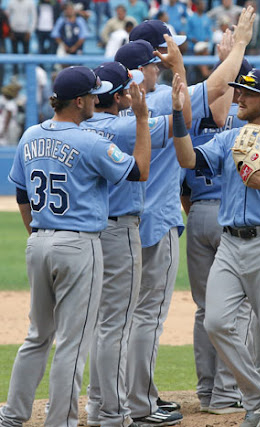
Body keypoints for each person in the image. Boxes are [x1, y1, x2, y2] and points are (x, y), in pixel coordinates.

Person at [118, 9, 255, 423]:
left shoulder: (106, 106)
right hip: (154, 220)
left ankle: (120, 398)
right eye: (160, 55)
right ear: (147, 61)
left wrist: (178, 65)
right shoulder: (156, 99)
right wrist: (243, 44)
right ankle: (140, 402)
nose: (163, 62)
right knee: (147, 316)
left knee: (117, 319)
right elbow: (215, 88)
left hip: (115, 226)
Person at [0, 65, 150, 427]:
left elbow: (22, 193)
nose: (97, 99)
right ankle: (60, 422)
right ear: (80, 100)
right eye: (93, 94)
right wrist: (142, 120)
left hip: (39, 241)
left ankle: (12, 416)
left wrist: (37, 233)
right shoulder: (90, 141)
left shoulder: (31, 134)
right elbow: (138, 171)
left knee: (37, 336)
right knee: (72, 341)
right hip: (79, 245)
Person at [173, 68, 260, 427]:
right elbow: (188, 160)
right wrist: (177, 116)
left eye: (246, 94)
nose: (238, 97)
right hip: (231, 244)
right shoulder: (230, 138)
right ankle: (256, 395)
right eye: (237, 91)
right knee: (217, 321)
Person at [81, 62, 190, 427]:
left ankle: (98, 406)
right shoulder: (126, 126)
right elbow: (179, 129)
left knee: (100, 324)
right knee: (118, 325)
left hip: (91, 233)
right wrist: (166, 109)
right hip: (120, 230)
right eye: (128, 89)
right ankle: (118, 412)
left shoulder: (81, 128)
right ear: (119, 96)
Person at [179, 58, 253, 416]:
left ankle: (206, 391)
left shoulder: (191, 123)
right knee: (236, 308)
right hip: (229, 216)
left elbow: (183, 183)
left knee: (204, 309)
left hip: (197, 214)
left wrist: (194, 216)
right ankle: (225, 394)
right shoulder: (245, 123)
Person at [6, 0, 36, 74]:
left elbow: (34, 17)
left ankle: (26, 72)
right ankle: (15, 73)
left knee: (26, 54)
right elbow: (7, 17)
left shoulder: (30, 2)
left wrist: (30, 31)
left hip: (25, 32)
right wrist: (10, 31)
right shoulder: (11, 2)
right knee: (14, 54)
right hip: (14, 32)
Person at [0, 82, 22, 146]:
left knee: (11, 143)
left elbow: (8, 118)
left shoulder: (10, 103)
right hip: (8, 124)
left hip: (11, 125)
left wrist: (4, 129)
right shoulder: (7, 101)